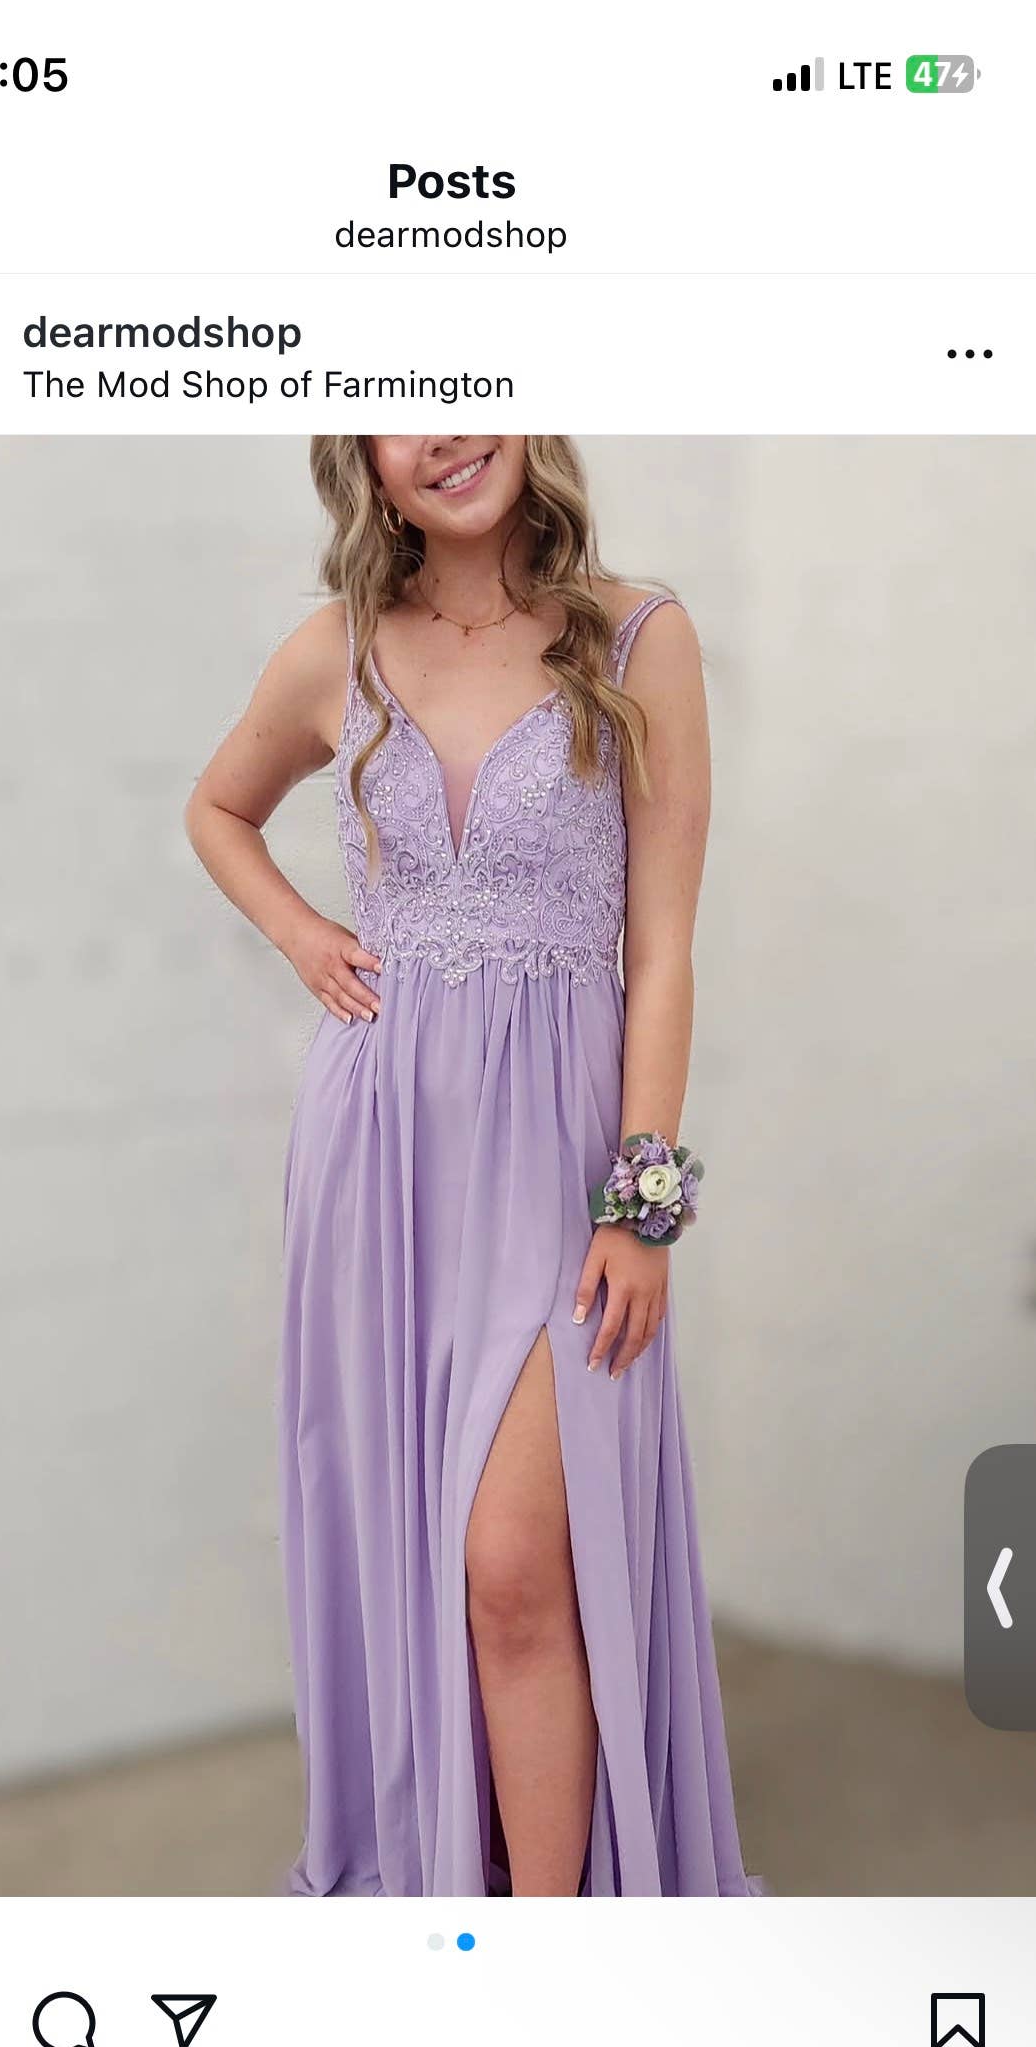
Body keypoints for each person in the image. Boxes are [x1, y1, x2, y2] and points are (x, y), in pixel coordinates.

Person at [187, 434, 755, 1898]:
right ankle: (454, 1909)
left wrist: (644, 1207)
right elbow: (217, 808)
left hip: (560, 1163)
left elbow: (662, 950)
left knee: (514, 1565)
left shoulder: (636, 636)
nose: (446, 429)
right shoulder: (335, 653)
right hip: (380, 1157)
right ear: (367, 462)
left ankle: (544, 1951)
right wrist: (305, 935)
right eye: (406, 405)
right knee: (424, 1557)